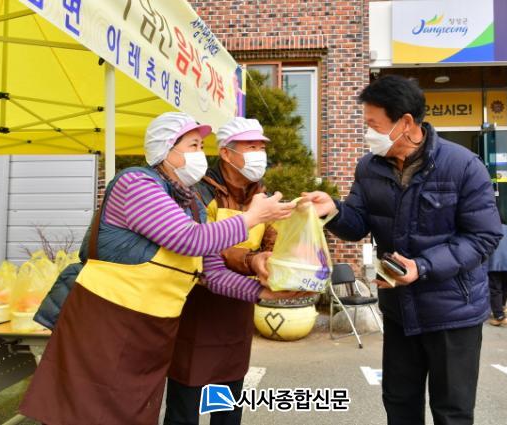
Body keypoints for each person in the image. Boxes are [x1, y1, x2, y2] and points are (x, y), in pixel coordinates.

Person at [19, 112, 301, 425]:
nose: (199, 154)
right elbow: (189, 239)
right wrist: (251, 218)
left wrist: (265, 292)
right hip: (107, 320)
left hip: (152, 328)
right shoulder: (136, 183)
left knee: (130, 413)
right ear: (166, 149)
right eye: (193, 146)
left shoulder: (191, 204)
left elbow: (213, 274)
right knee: (85, 413)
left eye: (201, 146)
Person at [304, 75, 503, 425]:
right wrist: (332, 211)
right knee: (399, 403)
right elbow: (358, 224)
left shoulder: (463, 166)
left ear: (406, 123)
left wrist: (422, 266)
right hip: (399, 310)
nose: (368, 134)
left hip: (453, 312)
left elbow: (483, 237)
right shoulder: (369, 167)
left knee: (452, 411)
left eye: (374, 125)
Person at [165, 117, 277, 425]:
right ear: (226, 153)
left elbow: (272, 241)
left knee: (228, 399)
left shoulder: (261, 195)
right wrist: (252, 260)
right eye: (251, 147)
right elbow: (205, 248)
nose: (259, 154)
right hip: (198, 306)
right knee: (186, 403)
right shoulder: (198, 193)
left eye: (261, 147)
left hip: (237, 308)